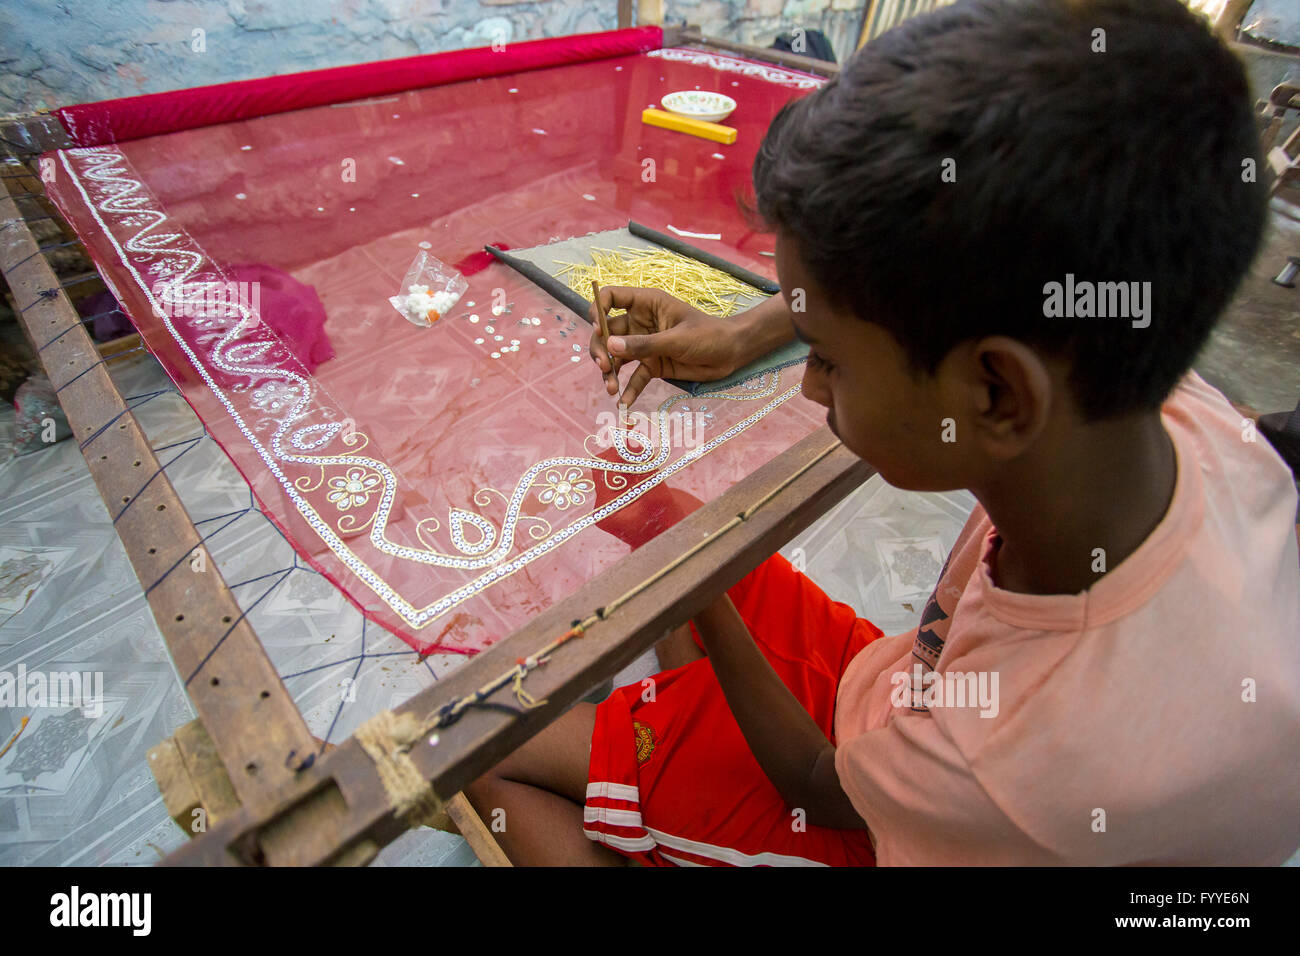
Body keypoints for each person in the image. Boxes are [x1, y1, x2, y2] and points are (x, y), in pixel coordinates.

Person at [464, 0, 1300, 865]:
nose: (808, 383)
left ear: (997, 391)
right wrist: (745, 332)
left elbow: (819, 787)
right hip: (903, 696)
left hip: (864, 816)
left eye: (826, 356)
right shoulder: (1146, 385)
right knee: (678, 542)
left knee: (494, 763)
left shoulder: (1016, 764)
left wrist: (697, 585)